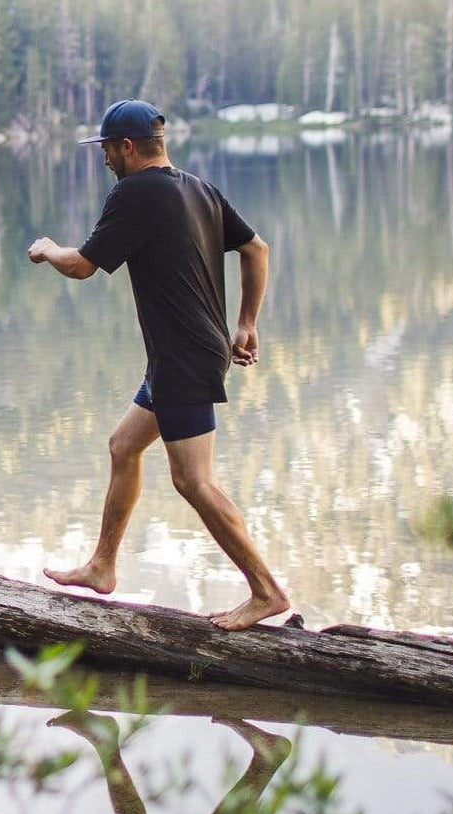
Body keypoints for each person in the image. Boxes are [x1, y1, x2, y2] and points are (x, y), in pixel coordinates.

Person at [27, 98, 289, 631]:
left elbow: (80, 267)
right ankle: (102, 566)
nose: (103, 158)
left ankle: (266, 591)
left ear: (127, 147)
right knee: (124, 447)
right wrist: (246, 323)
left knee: (193, 481)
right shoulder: (198, 189)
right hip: (191, 349)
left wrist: (48, 248)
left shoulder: (136, 192)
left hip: (183, 357)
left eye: (105, 148)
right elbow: (256, 249)